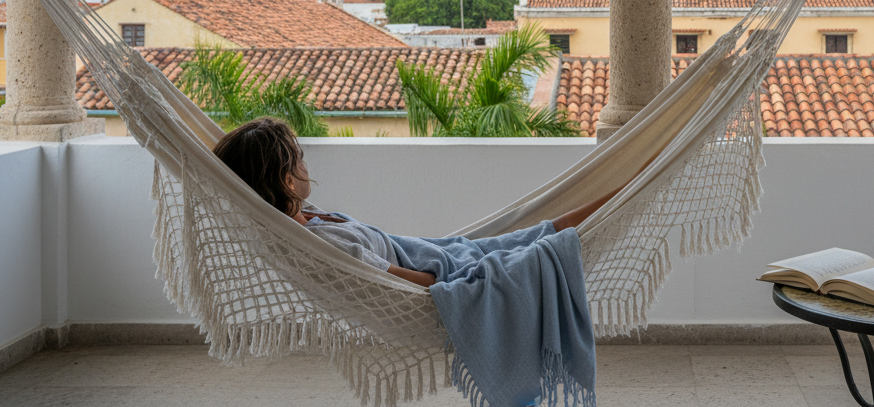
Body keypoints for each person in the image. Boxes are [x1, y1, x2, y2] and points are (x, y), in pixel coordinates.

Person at [212, 117, 621, 288]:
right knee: (548, 241)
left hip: (440, 248)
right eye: (299, 158)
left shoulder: (305, 220)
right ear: (286, 180)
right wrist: (469, 282)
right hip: (447, 267)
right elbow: (402, 280)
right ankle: (626, 189)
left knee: (544, 233)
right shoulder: (322, 245)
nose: (306, 164)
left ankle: (629, 185)